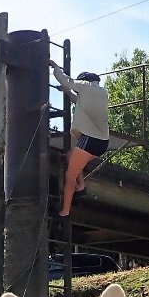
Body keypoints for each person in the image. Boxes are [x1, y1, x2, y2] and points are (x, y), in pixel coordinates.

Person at [49, 60, 109, 218]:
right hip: (102, 142)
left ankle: (64, 212)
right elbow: (79, 101)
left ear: (85, 80)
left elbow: (66, 80)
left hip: (90, 140)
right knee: (70, 157)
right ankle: (81, 186)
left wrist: (55, 67)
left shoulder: (85, 86)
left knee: (69, 175)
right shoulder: (102, 93)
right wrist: (67, 93)